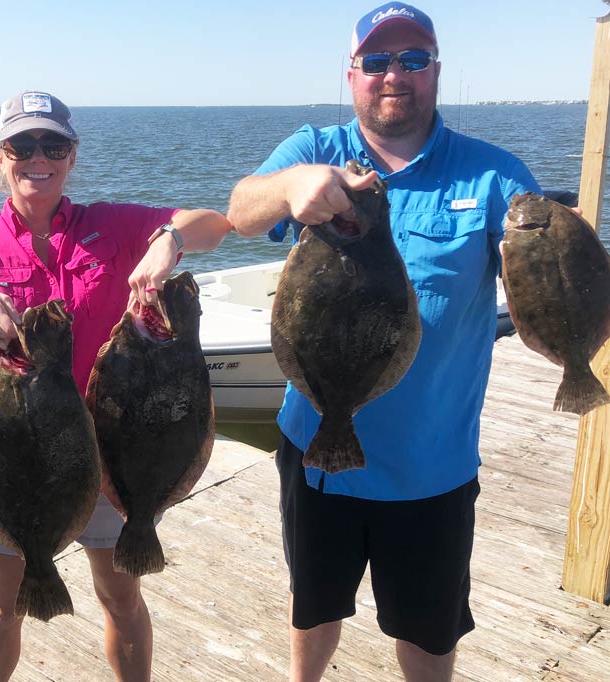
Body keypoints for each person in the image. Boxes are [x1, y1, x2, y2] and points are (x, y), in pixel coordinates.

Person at [227, 4, 540, 681]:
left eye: (412, 59)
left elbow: (536, 262)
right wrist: (292, 185)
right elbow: (242, 210)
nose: (393, 74)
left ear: (435, 71)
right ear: (352, 76)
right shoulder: (314, 147)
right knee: (314, 607)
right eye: (376, 62)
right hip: (315, 447)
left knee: (428, 632)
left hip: (433, 465)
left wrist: (558, 251)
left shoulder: (491, 175)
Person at [0, 90, 233, 682]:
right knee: (3, 606)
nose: (38, 157)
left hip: (110, 454)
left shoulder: (112, 226)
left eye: (53, 144)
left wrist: (170, 238)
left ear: (72, 155)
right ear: (0, 154)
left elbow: (217, 225)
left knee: (121, 599)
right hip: (13, 458)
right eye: (22, 144)